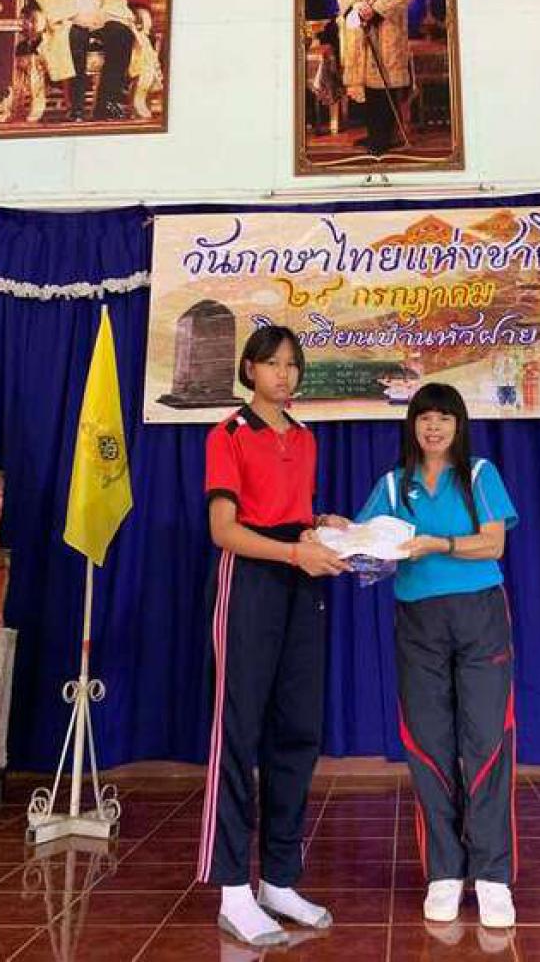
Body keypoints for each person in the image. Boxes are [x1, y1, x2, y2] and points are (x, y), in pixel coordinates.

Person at [198, 325, 351, 947]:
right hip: (252, 583)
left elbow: (294, 514)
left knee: (298, 731)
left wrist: (323, 525)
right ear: (250, 370)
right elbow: (225, 531)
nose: (283, 374)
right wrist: (293, 552)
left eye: (292, 364)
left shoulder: (306, 437)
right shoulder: (228, 434)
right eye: (271, 363)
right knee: (238, 732)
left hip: (301, 584)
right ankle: (234, 889)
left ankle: (279, 880)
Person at [355, 382, 520, 929]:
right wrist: (339, 533)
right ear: (412, 425)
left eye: (443, 418)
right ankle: (444, 873)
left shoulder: (479, 474)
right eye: (424, 417)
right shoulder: (392, 484)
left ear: (458, 425)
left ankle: (493, 877)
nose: (433, 427)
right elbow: (367, 545)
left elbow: (493, 543)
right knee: (428, 744)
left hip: (480, 617)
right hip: (418, 623)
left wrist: (437, 544)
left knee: (486, 741)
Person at [331, 0, 417, 155]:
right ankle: (373, 134)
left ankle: (384, 137)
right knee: (366, 84)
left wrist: (377, 9)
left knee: (384, 82)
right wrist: (357, 5)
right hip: (360, 27)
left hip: (387, 26)